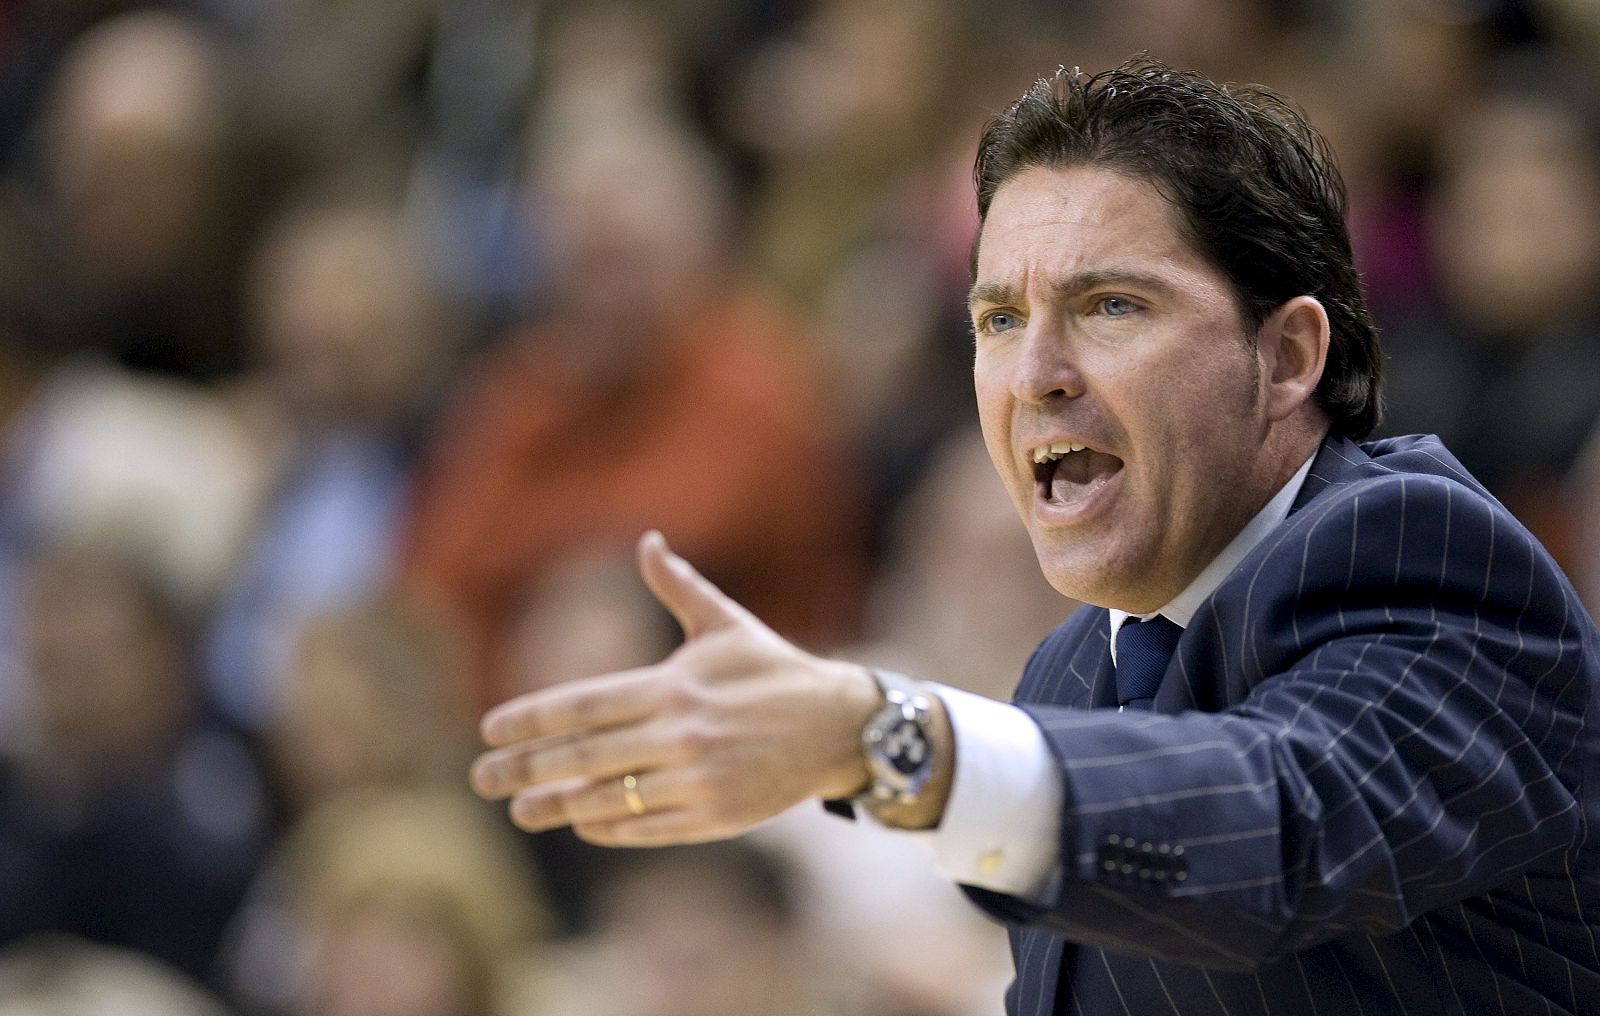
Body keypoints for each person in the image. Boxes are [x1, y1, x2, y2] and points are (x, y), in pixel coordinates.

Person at [470, 59, 1600, 1014]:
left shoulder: (1421, 554)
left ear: (1288, 356)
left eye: (1113, 305)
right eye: (1000, 318)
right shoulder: (1068, 672)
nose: (1036, 375)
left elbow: (1275, 819)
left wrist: (878, 739)